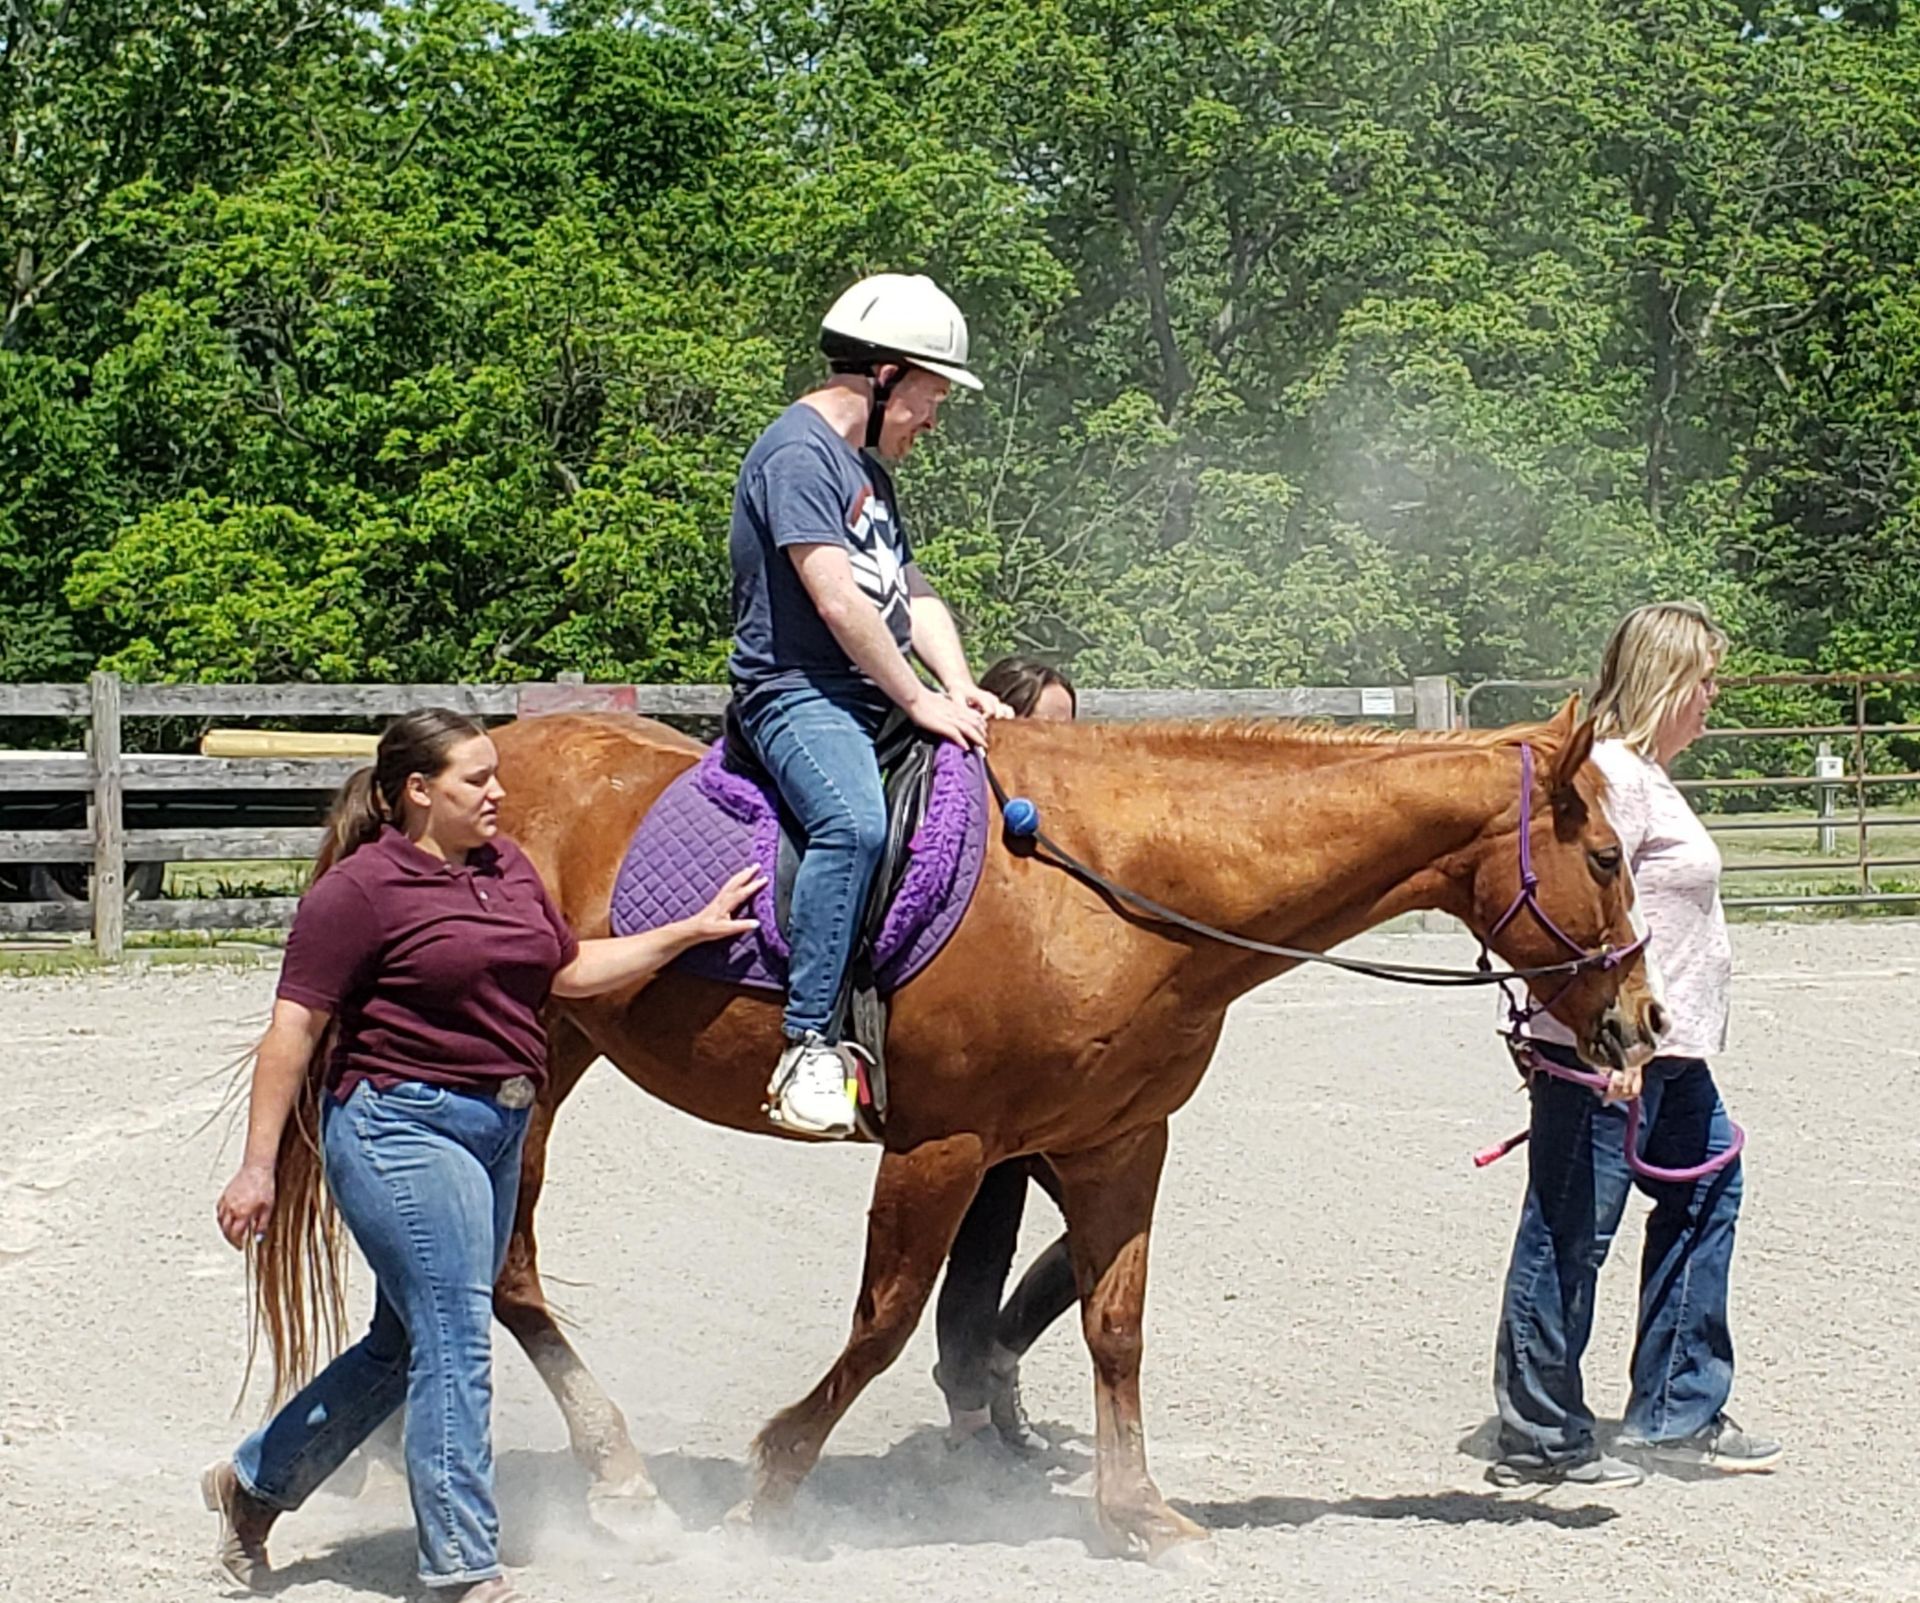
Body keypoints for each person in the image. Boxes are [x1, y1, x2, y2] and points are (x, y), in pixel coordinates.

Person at [203, 709, 762, 1599]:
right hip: (400, 1127)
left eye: (497, 774)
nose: (498, 792)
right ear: (418, 792)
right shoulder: (358, 893)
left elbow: (568, 972)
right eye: (476, 779)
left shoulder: (506, 871)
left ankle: (252, 1486)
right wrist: (258, 1166)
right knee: (459, 1338)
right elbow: (293, 1031)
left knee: (400, 1345)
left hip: (495, 1126)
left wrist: (688, 932)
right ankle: (464, 1567)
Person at [1491, 602, 1781, 1487]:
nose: (1713, 695)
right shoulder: (1609, 776)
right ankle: (1539, 1433)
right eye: (1703, 678)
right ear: (1665, 681)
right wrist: (1613, 1049)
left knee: (1708, 1195)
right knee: (1569, 1229)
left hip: (1673, 1049)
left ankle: (1675, 1411)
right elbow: (1587, 914)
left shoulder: (1648, 775)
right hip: (1613, 1049)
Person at [728, 272, 1011, 1140]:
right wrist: (919, 700)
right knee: (854, 825)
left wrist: (958, 682)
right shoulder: (797, 455)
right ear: (888, 374)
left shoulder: (869, 476)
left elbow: (906, 590)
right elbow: (839, 602)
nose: (936, 417)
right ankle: (808, 1040)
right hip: (797, 693)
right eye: (933, 394)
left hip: (868, 685)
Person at [932, 657, 1079, 1451]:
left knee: (1102, 1225)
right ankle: (967, 1419)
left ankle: (1000, 1350)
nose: (1062, 747)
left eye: (1069, 729)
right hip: (989, 1061)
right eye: (1041, 729)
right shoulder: (968, 810)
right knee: (982, 1238)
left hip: (1059, 1067)